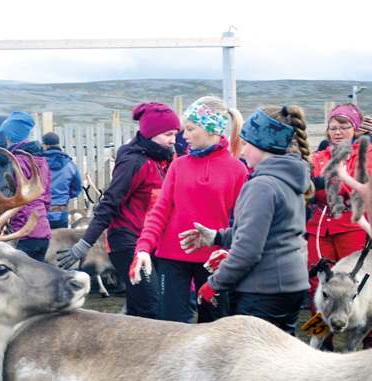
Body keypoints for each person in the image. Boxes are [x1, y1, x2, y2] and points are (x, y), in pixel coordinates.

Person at [179, 106, 312, 334]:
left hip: (264, 291)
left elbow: (248, 250)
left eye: (247, 144)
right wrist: (218, 236)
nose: (241, 152)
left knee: (253, 364)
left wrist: (215, 283)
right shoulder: (290, 179)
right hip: (291, 286)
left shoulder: (261, 186)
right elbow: (271, 233)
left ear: (264, 144)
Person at [130, 97, 247, 324]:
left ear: (211, 129)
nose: (184, 136)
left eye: (190, 129)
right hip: (171, 261)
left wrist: (230, 250)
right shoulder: (178, 165)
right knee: (170, 324)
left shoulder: (237, 170)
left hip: (214, 262)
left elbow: (242, 222)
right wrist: (143, 248)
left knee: (213, 326)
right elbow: (160, 211)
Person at [57, 102, 180, 318]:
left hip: (152, 243)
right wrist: (84, 245)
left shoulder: (164, 160)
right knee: (151, 306)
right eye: (168, 134)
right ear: (150, 132)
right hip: (127, 242)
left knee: (145, 304)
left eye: (175, 134)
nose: (173, 139)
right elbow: (109, 204)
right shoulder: (134, 162)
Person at [305, 104, 372, 319]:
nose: (337, 132)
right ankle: (322, 338)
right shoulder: (318, 157)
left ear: (355, 129)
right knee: (318, 283)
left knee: (359, 282)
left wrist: (324, 183)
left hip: (352, 227)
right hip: (320, 229)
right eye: (333, 128)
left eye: (343, 127)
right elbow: (308, 188)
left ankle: (366, 339)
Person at [0, 111, 51, 261]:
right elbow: (46, 198)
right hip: (42, 232)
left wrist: (15, 235)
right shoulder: (42, 160)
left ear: (9, 136)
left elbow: (19, 201)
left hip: (24, 235)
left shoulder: (16, 162)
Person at [41, 132, 82, 229]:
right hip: (61, 213)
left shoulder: (38, 164)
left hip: (41, 213)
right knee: (62, 242)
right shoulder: (70, 165)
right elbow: (76, 190)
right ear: (59, 144)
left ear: (45, 146)